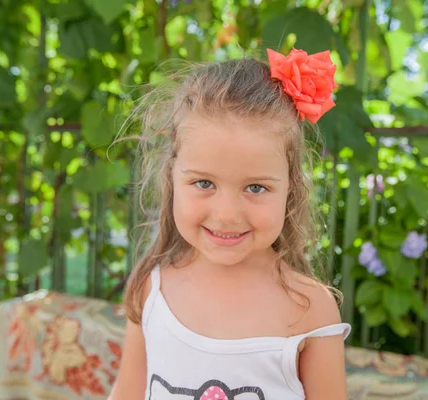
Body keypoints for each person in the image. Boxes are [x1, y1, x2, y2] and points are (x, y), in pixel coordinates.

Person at [108, 47, 351, 400]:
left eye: (256, 187)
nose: (226, 214)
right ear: (172, 177)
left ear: (291, 189)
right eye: (204, 183)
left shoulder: (310, 308)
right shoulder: (151, 289)